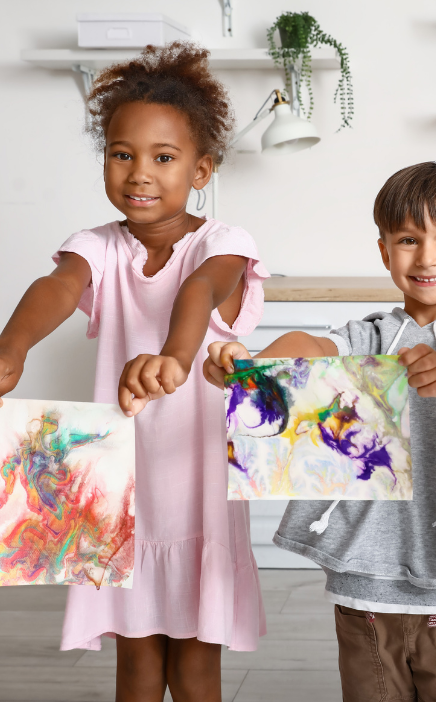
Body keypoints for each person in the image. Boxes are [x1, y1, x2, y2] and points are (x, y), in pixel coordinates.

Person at [0, 42, 268, 702]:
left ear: (201, 169)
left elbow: (201, 291)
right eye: (122, 154)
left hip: (200, 481)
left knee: (197, 666)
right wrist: (12, 347)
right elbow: (58, 286)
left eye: (163, 157)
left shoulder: (223, 242)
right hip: (118, 482)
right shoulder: (98, 244)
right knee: (136, 664)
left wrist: (176, 357)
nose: (139, 173)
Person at [204, 162, 436, 702]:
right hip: (365, 581)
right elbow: (312, 347)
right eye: (407, 239)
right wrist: (253, 366)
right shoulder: (369, 335)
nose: (426, 256)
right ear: (384, 252)